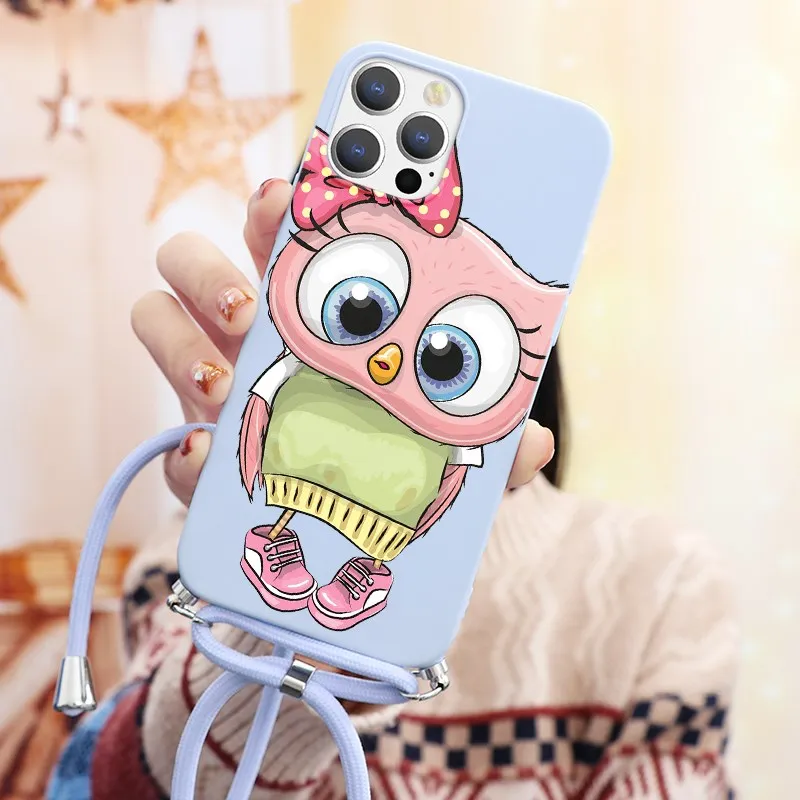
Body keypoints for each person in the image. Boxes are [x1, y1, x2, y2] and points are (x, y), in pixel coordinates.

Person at [48, 179, 739, 799]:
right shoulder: (194, 565)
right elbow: (119, 787)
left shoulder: (660, 584)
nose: (387, 363)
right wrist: (280, 641)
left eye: (447, 352)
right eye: (358, 307)